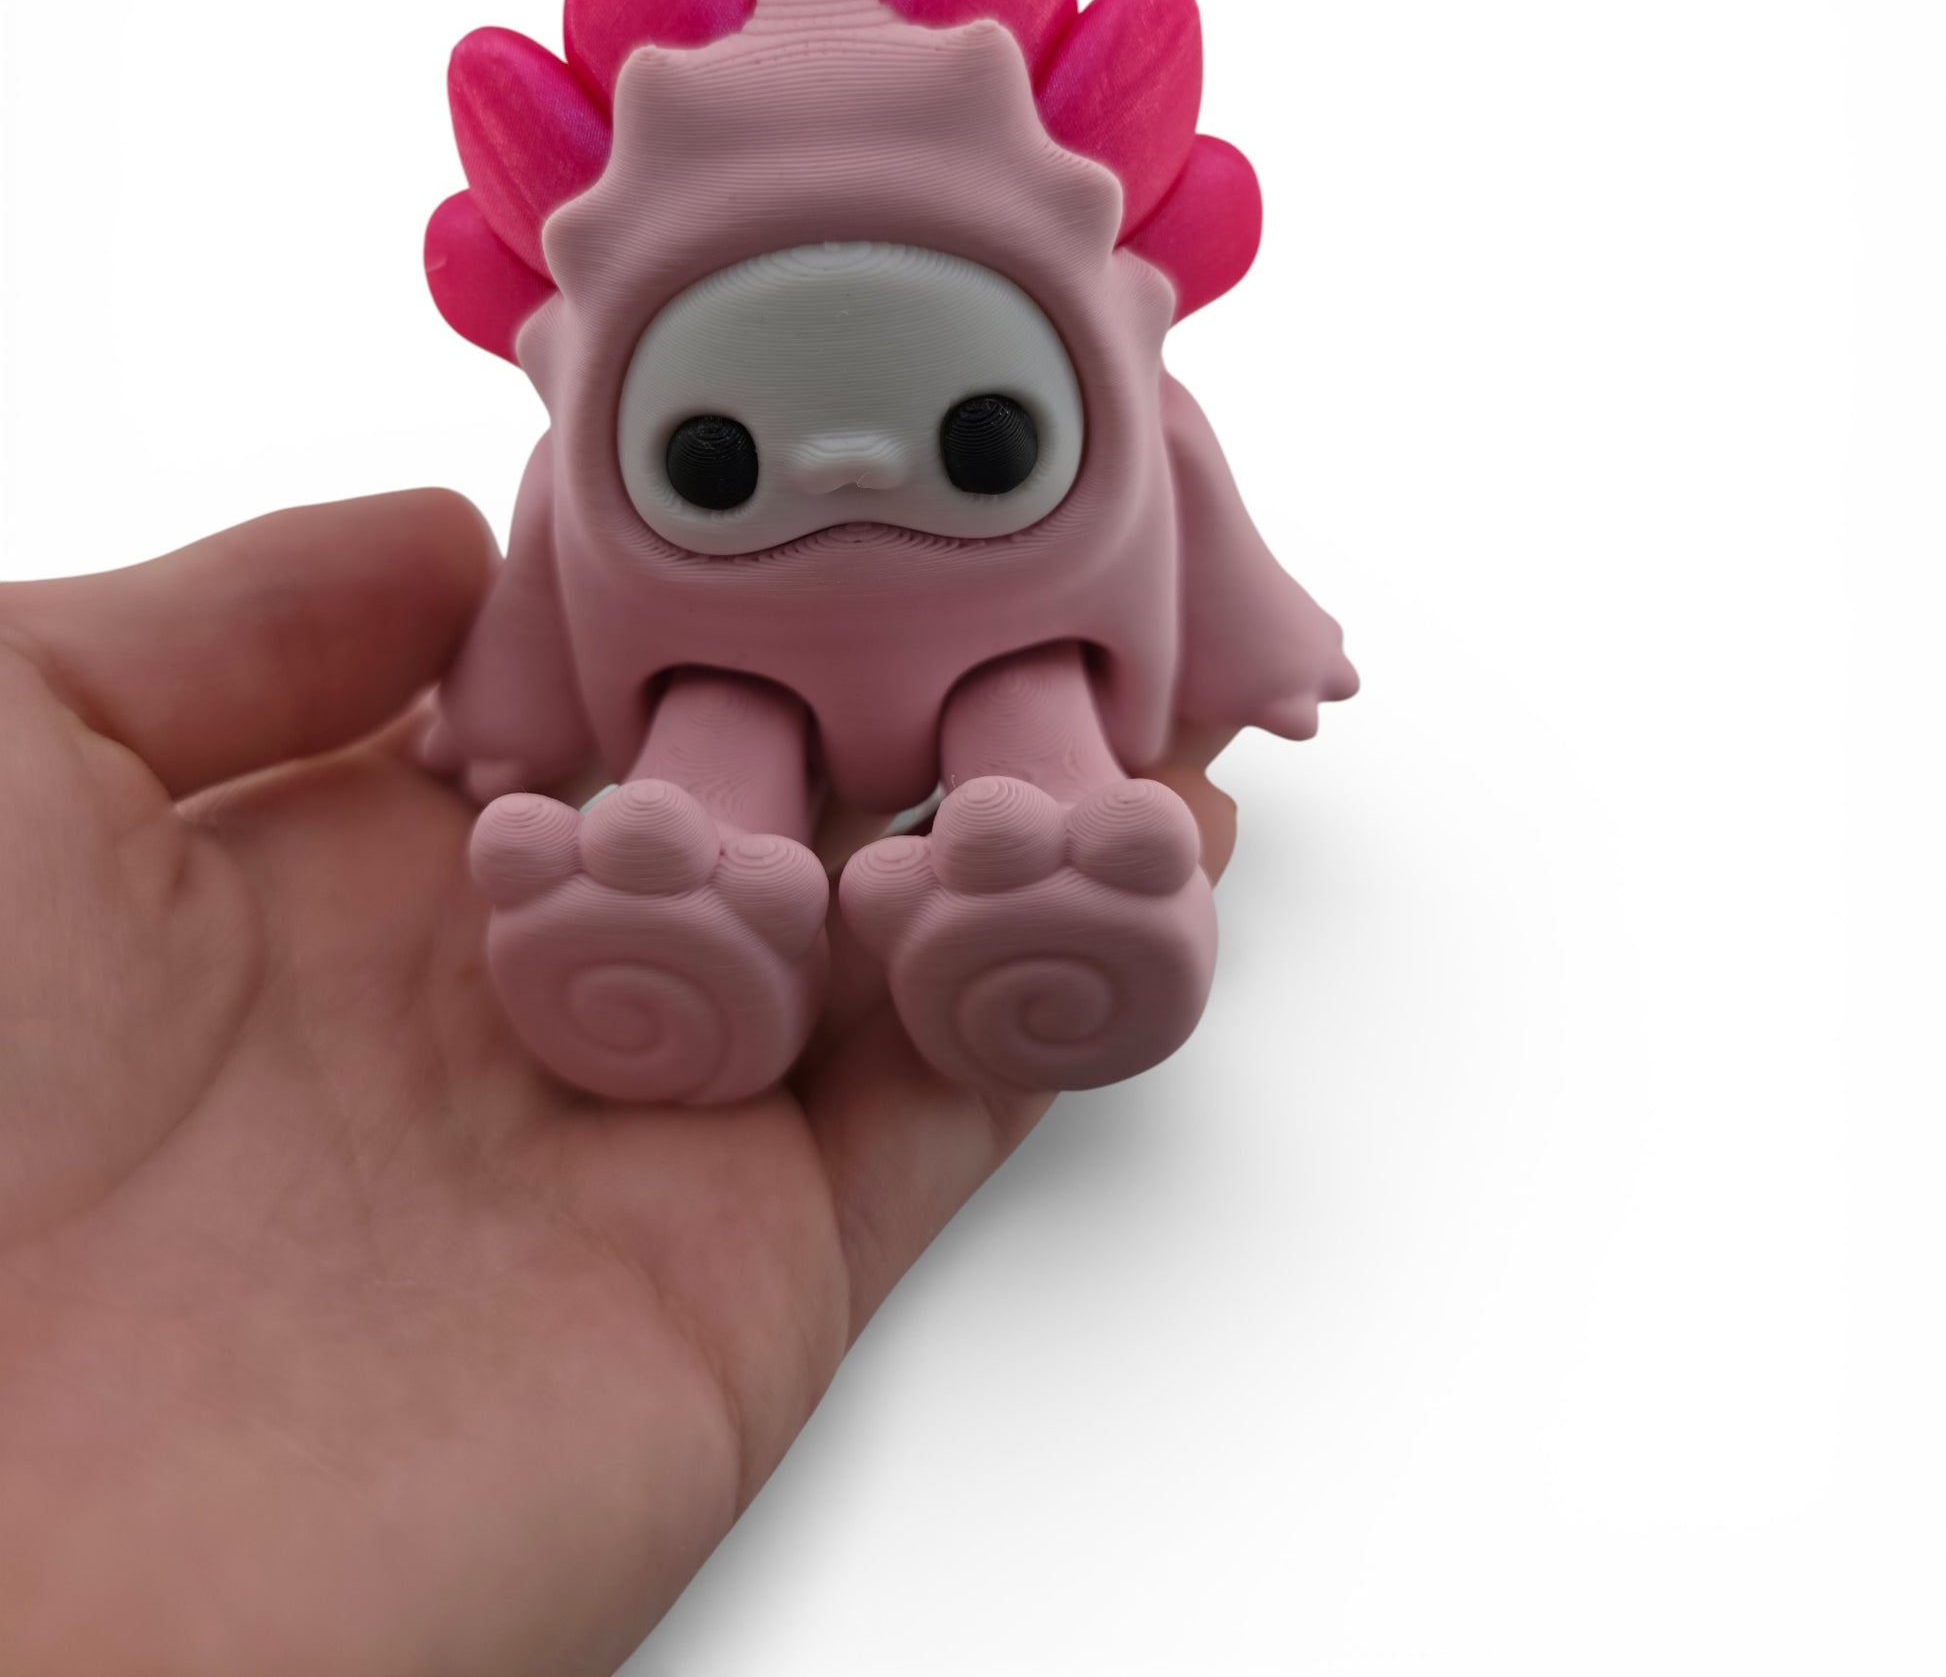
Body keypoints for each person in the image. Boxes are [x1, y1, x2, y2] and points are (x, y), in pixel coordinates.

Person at [0, 490, 1236, 1674]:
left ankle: (1043, 871)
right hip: (729, 658)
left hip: (1017, 643)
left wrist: (1245, 634)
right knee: (706, 754)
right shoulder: (601, 486)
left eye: (987, 439)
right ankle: (692, 898)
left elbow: (1185, 498)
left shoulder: (1121, 449)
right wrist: (511, 710)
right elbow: (556, 552)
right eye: (714, 457)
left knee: (1022, 728)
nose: (846, 478)